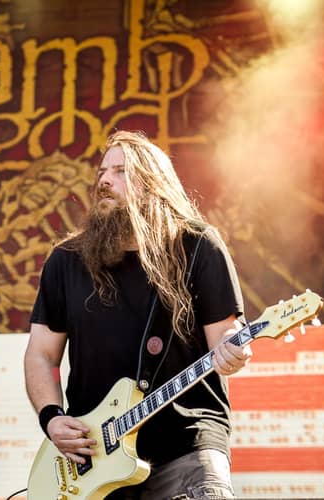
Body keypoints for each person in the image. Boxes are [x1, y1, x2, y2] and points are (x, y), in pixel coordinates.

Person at [24, 130, 252, 499]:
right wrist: (51, 417)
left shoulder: (197, 247)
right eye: (102, 172)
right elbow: (41, 353)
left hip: (187, 445)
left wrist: (232, 352)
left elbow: (225, 335)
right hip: (96, 455)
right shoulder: (67, 261)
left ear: (154, 183)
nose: (104, 181)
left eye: (120, 171)